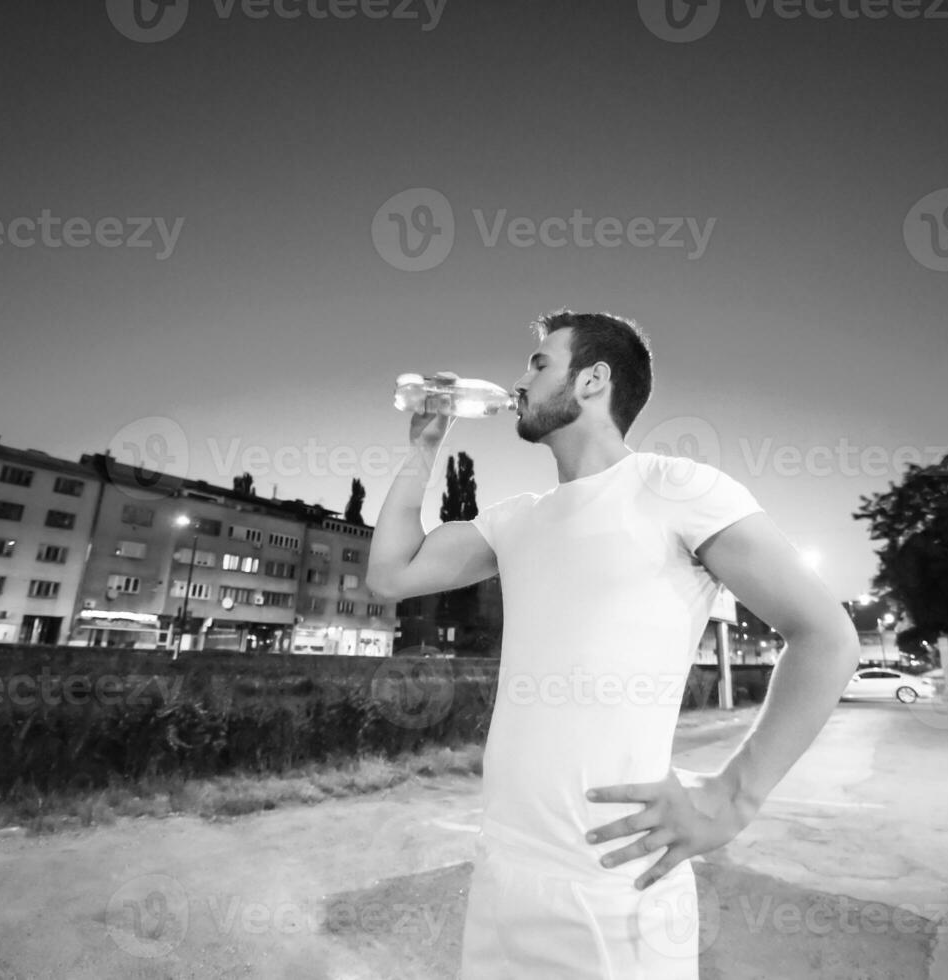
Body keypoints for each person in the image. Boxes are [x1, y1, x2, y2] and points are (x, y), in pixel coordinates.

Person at [365, 310, 861, 979]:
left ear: (593, 379)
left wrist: (732, 798)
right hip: (504, 874)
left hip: (613, 888)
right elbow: (390, 574)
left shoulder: (675, 488)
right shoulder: (517, 520)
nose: (520, 380)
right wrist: (423, 449)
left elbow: (825, 637)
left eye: (539, 363)